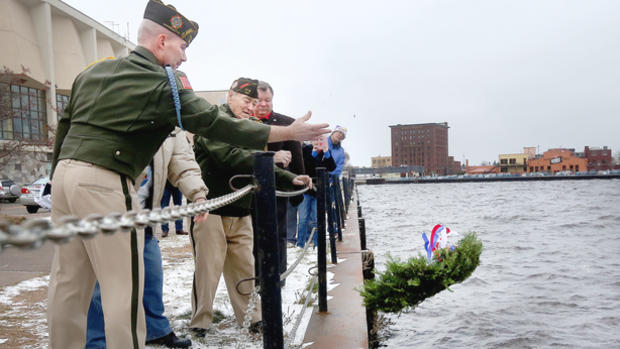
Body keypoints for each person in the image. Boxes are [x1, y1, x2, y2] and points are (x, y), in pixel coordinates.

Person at [47, 1, 328, 348]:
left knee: (67, 285)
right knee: (123, 288)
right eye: (182, 47)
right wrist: (286, 133)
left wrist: (54, 178)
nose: (184, 58)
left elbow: (65, 126)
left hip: (64, 179)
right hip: (106, 183)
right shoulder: (160, 82)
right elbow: (214, 123)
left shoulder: (92, 72)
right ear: (162, 41)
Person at [189, 78, 311, 335]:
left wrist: (292, 179)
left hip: (241, 209)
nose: (251, 107)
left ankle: (253, 318)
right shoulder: (213, 124)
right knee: (207, 269)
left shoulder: (251, 128)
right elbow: (228, 156)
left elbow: (263, 167)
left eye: (255, 102)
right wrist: (266, 157)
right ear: (230, 96)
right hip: (211, 208)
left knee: (245, 267)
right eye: (247, 100)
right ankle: (200, 322)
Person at [86, 128, 203, 348]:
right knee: (103, 285)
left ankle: (155, 330)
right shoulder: (118, 107)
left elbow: (183, 163)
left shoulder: (172, 128)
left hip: (145, 217)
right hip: (109, 212)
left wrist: (197, 194)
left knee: (152, 276)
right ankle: (96, 341)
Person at [254, 81, 305, 278]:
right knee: (255, 238)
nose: (264, 104)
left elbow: (297, 157)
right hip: (250, 190)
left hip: (279, 190)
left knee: (279, 235)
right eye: (259, 100)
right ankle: (258, 276)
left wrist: (298, 189)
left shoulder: (287, 124)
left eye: (268, 100)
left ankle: (279, 276)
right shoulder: (242, 123)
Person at [296, 138, 336, 248]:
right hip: (306, 190)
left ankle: (318, 245)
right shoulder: (305, 150)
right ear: (312, 140)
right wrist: (313, 153)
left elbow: (332, 167)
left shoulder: (326, 152)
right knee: (303, 219)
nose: (318, 142)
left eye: (320, 139)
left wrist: (326, 153)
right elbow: (306, 167)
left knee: (316, 219)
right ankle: (300, 244)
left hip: (319, 191)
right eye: (316, 139)